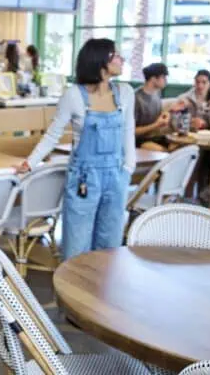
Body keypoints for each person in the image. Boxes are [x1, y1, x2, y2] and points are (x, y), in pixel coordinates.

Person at [15, 38, 135, 261]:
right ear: (100, 60)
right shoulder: (74, 96)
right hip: (83, 179)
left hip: (116, 177)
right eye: (116, 55)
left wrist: (128, 170)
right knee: (76, 245)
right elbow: (53, 134)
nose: (121, 59)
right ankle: (74, 293)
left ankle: (103, 294)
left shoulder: (126, 93)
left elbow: (129, 132)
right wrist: (29, 163)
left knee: (110, 244)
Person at [134, 63, 171, 151]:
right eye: (164, 77)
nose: (166, 81)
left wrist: (167, 113)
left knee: (182, 149)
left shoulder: (157, 92)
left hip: (157, 137)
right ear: (154, 79)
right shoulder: (136, 98)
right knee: (165, 154)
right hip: (140, 140)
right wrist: (156, 125)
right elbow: (132, 131)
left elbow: (158, 114)